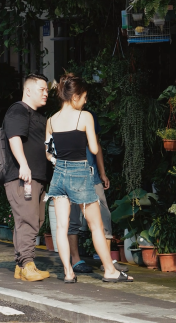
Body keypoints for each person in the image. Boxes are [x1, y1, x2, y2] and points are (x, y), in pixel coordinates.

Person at [45, 73, 133, 283]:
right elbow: (93, 148)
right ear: (75, 97)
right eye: (84, 97)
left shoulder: (51, 120)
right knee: (96, 226)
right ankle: (110, 271)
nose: (85, 101)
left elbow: (48, 152)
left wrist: (58, 162)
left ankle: (68, 272)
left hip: (58, 176)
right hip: (80, 172)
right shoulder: (84, 117)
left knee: (62, 227)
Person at [3, 73, 51, 282]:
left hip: (36, 177)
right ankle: (28, 264)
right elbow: (14, 138)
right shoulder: (18, 110)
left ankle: (20, 266)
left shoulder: (36, 114)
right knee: (28, 220)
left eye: (47, 90)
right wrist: (23, 165)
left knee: (33, 220)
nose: (46, 93)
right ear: (28, 90)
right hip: (23, 177)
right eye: (42, 89)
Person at [67, 111, 129, 274]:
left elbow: (97, 146)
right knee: (73, 219)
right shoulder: (62, 117)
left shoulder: (90, 116)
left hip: (92, 175)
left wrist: (102, 172)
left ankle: (106, 261)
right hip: (72, 176)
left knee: (104, 216)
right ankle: (75, 260)